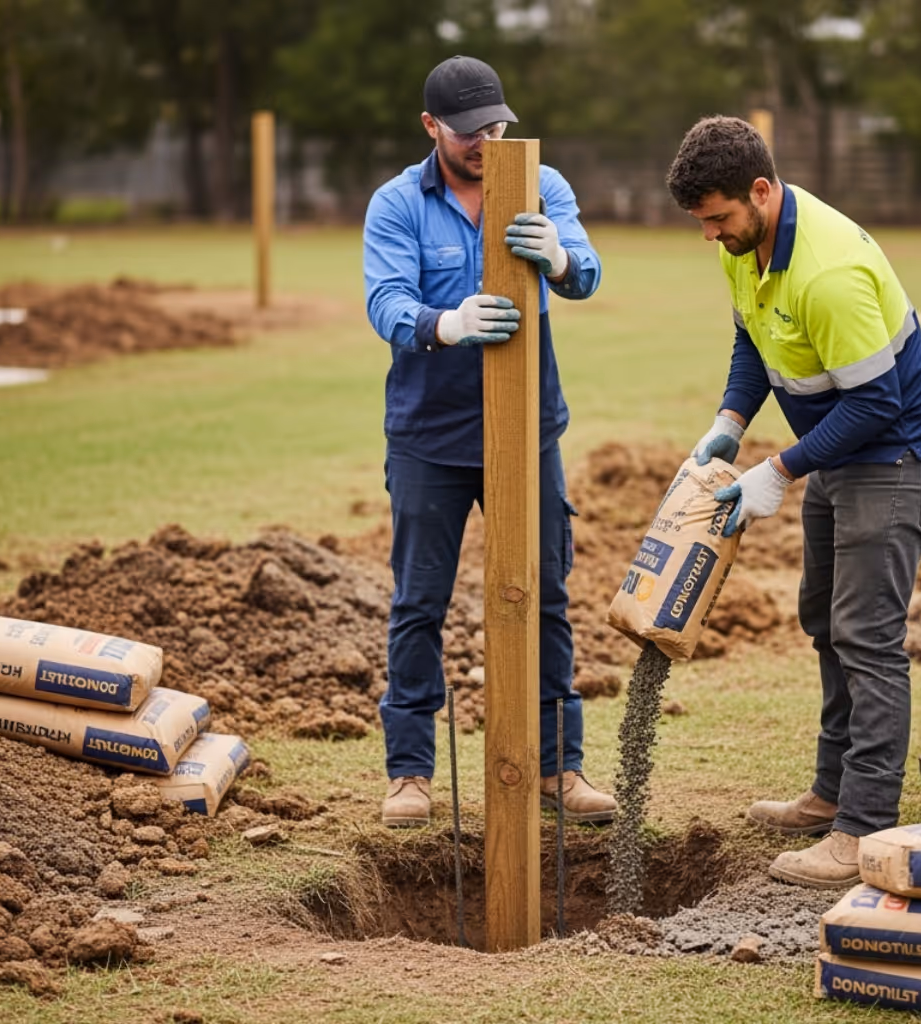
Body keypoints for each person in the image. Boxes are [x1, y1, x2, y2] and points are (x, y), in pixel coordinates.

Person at [666, 115, 921, 887]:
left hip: (897, 451)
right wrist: (730, 422)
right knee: (824, 619)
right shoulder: (744, 246)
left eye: (717, 218)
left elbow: (877, 404)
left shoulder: (828, 272)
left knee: (867, 635)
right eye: (702, 222)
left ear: (761, 191)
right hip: (842, 445)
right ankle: (831, 794)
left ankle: (863, 830)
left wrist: (778, 470)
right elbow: (752, 341)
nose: (709, 235)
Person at [363, 55, 615, 828]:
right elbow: (385, 301)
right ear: (430, 126)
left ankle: (558, 767)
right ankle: (410, 774)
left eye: (495, 127)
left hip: (528, 431)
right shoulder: (398, 203)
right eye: (469, 131)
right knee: (419, 604)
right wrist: (446, 323)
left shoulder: (542, 183)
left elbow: (587, 274)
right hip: (429, 438)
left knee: (545, 595)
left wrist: (560, 257)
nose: (485, 142)